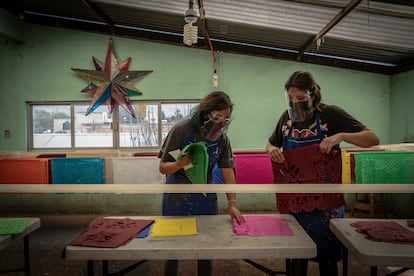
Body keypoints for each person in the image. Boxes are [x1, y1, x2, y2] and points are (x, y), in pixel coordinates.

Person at [266, 71, 379, 276]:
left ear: (313, 94)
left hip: (325, 204)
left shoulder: (331, 114)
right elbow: (272, 143)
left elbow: (372, 138)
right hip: (295, 201)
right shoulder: (286, 118)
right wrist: (271, 150)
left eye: (301, 98)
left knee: (327, 261)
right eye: (291, 99)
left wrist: (341, 136)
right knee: (296, 258)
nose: (295, 103)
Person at [158, 91, 244, 276]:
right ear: (206, 113)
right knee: (173, 248)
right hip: (177, 197)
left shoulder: (222, 139)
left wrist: (233, 204)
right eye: (217, 116)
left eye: (225, 118)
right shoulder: (181, 130)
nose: (221, 121)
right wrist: (179, 164)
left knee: (206, 248)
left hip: (205, 196)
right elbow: (163, 167)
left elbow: (228, 172)